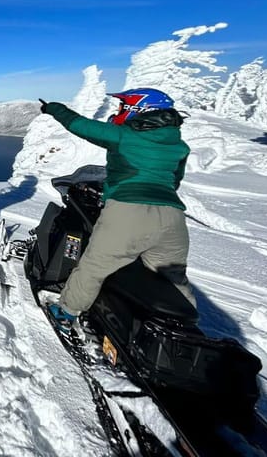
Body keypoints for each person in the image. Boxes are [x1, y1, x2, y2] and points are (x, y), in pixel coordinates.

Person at [39, 87, 195, 331]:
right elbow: (174, 181)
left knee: (95, 265)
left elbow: (80, 125)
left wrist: (53, 108)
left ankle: (66, 313)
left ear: (139, 109)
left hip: (128, 210)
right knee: (173, 277)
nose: (119, 111)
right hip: (173, 216)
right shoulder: (179, 145)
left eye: (124, 106)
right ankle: (185, 330)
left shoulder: (124, 136)